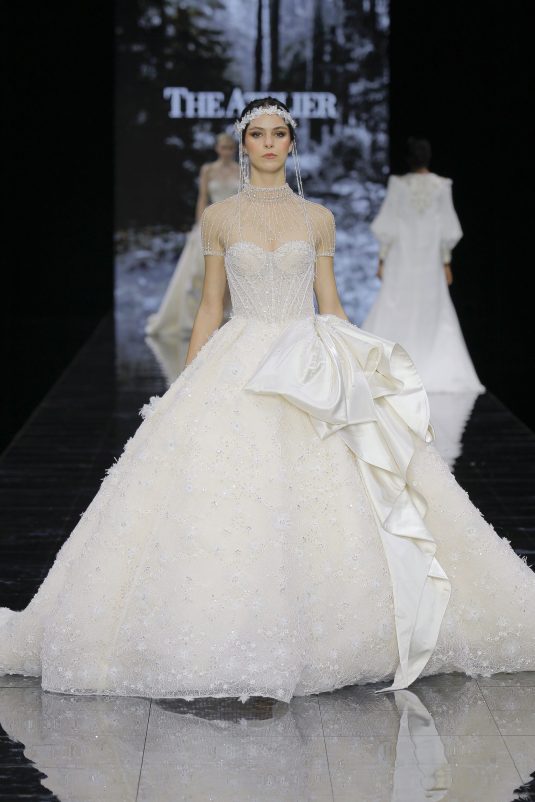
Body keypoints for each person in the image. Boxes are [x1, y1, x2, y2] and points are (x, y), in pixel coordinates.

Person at [1, 99, 534, 704]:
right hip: (240, 358)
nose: (270, 143)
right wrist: (186, 385)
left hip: (309, 360)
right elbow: (210, 306)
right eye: (258, 134)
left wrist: (357, 370)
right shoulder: (220, 218)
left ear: (291, 142)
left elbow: (330, 303)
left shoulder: (318, 218)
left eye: (279, 133)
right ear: (244, 142)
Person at [363, 138, 484, 393]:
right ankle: (423, 365)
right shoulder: (441, 185)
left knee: (398, 305)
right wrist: (446, 262)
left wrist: (382, 258)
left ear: (409, 158)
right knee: (430, 309)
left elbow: (389, 224)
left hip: (402, 258)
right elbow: (447, 228)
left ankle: (392, 368)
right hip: (428, 260)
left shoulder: (400, 184)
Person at [145, 132, 239, 339]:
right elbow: (202, 198)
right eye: (223, 147)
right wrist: (199, 225)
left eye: (230, 148)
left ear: (234, 149)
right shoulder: (208, 170)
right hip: (211, 225)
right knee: (201, 272)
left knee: (230, 275)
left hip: (234, 226)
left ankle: (225, 319)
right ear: (217, 148)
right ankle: (198, 320)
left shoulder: (241, 171)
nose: (226, 151)